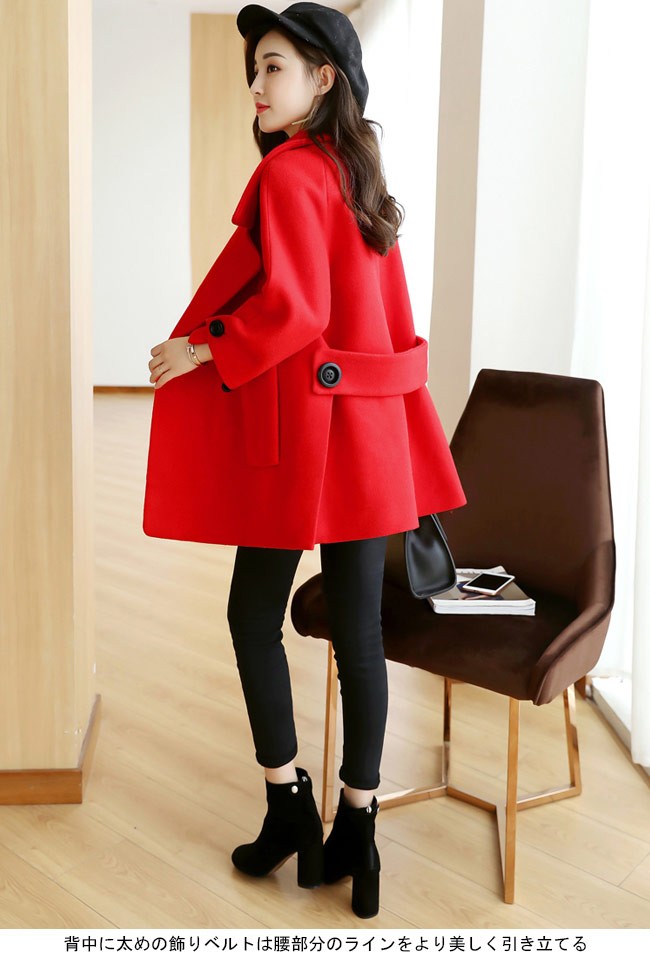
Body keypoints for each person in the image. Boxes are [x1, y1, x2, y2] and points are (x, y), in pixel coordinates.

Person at [143, 2, 465, 920]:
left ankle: (288, 803)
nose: (256, 83)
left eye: (273, 66)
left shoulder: (289, 172)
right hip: (368, 434)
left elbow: (292, 307)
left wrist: (198, 348)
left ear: (324, 79)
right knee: (360, 636)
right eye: (254, 67)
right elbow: (373, 317)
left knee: (253, 615)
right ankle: (358, 827)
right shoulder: (358, 174)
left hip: (309, 439)